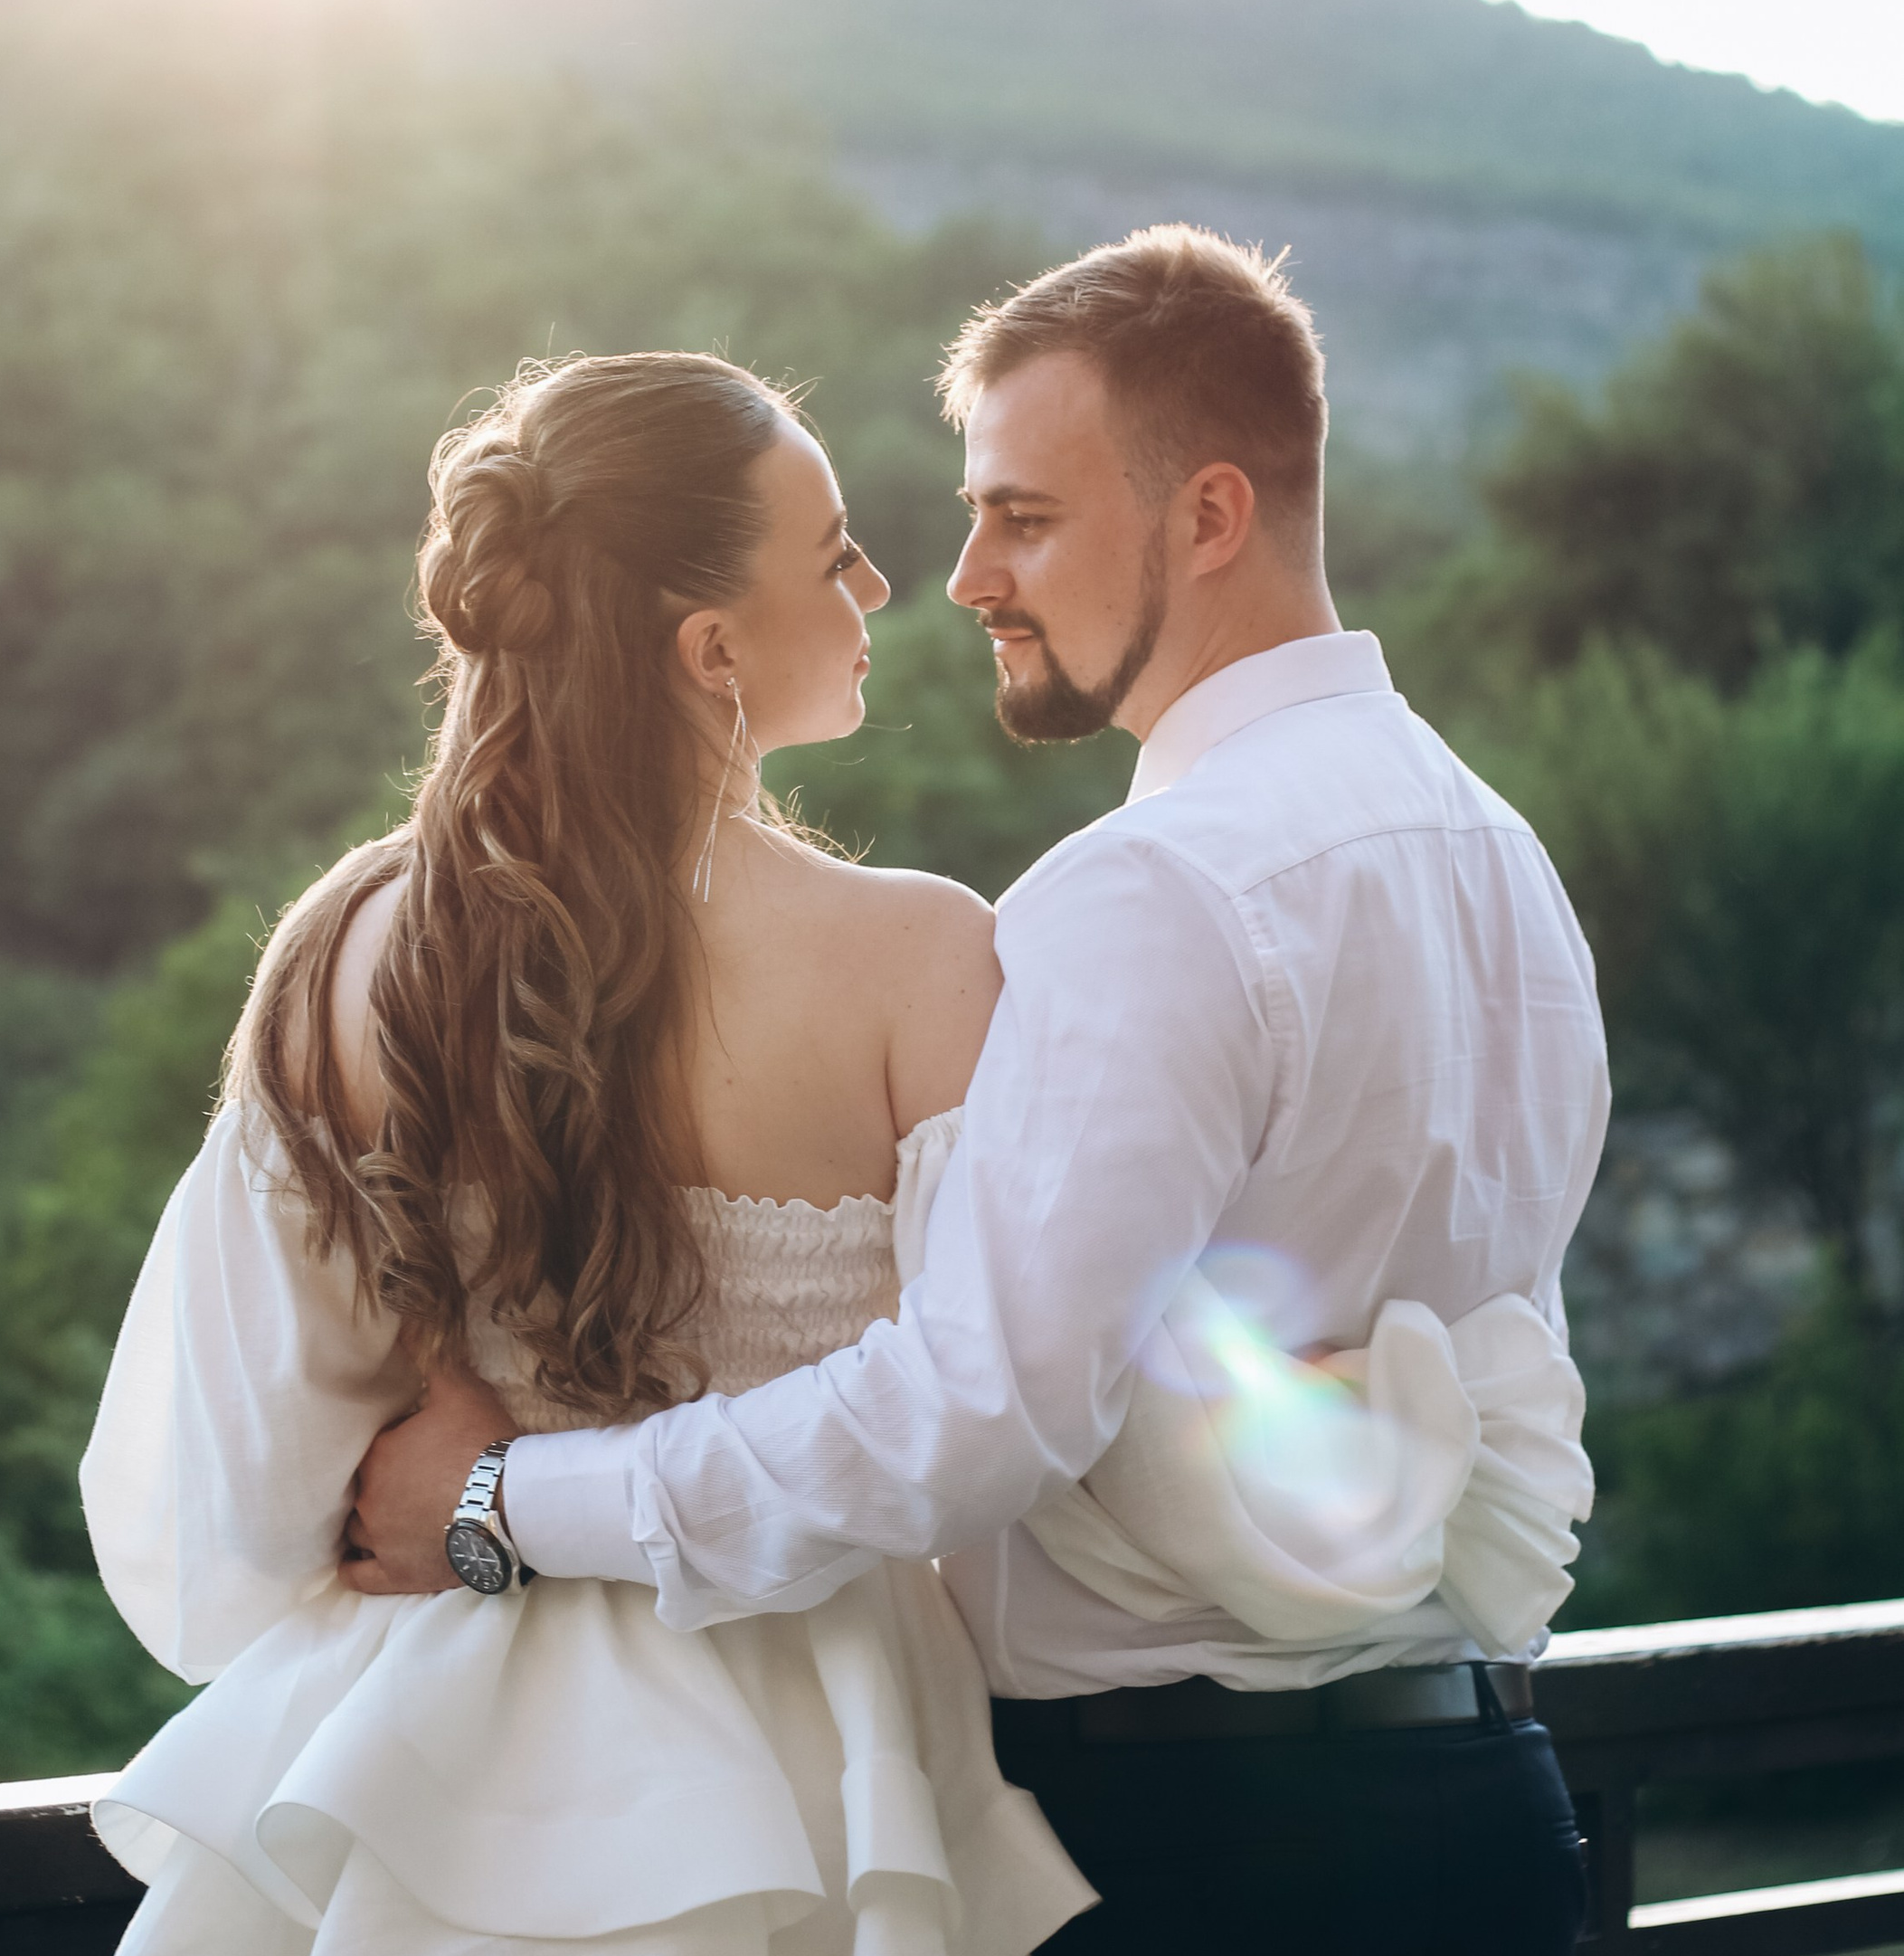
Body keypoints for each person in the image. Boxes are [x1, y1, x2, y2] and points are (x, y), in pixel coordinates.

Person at [349, 228, 1613, 1956]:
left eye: (1024, 516)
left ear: (1210, 517)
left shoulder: (1149, 892)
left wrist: (502, 1509)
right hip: (1490, 1817)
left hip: (1188, 1856)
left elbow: (964, 1418)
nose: (964, 578)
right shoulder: (1502, 855)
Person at [80, 349, 1099, 1956]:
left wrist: (464, 1493)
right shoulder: (921, 961)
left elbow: (225, 1490)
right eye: (835, 553)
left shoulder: (351, 946)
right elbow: (997, 1435)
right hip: (813, 1755)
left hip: (412, 1762)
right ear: (709, 650)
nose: (881, 586)